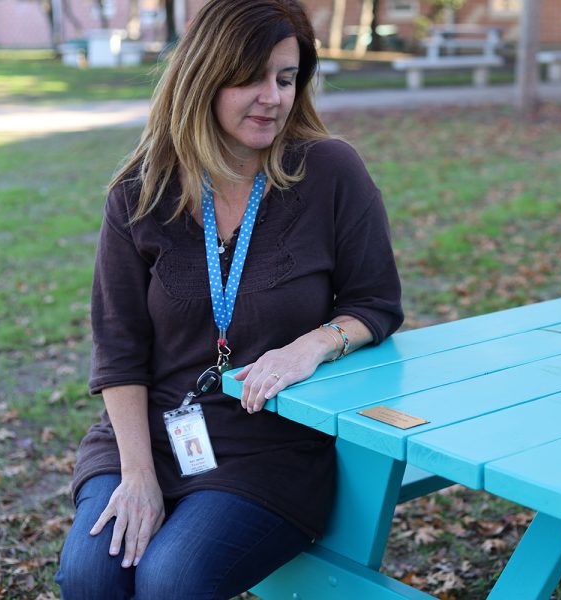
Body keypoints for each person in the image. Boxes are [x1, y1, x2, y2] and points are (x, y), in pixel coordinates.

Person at [54, 0, 403, 598]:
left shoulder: (329, 171)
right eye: (252, 77)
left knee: (171, 580)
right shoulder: (139, 195)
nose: (273, 96)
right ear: (205, 77)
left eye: (286, 78)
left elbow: (377, 304)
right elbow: (119, 349)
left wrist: (311, 346)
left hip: (269, 443)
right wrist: (137, 475)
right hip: (150, 437)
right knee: (91, 578)